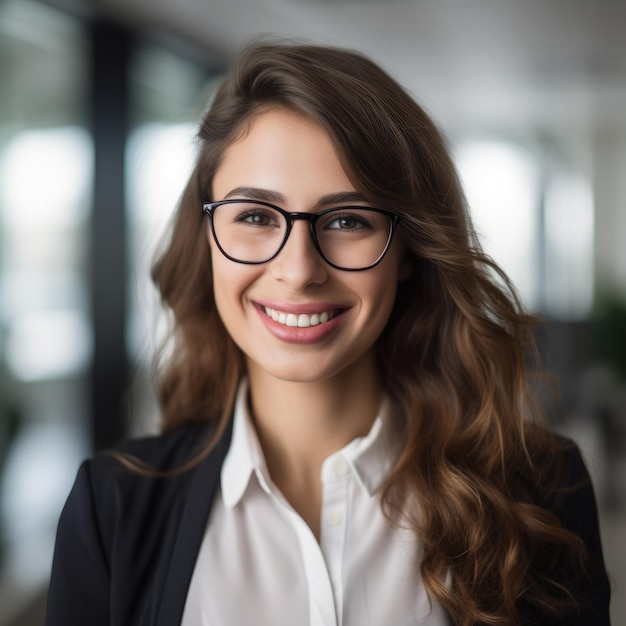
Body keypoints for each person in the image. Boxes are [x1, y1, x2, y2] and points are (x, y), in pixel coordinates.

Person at [45, 39, 611, 626]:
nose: (299, 271)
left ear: (410, 249)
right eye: (256, 216)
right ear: (206, 236)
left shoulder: (540, 492)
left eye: (347, 220)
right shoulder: (110, 507)